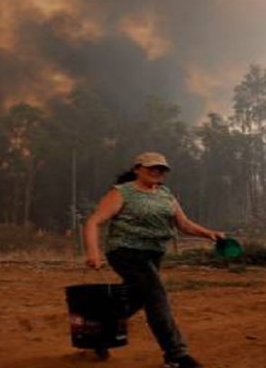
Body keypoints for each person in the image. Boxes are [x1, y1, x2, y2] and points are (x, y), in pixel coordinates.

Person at [84, 152, 224, 368]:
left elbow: (183, 224)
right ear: (137, 169)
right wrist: (93, 253)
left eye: (161, 169)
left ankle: (101, 333)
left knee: (138, 299)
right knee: (156, 295)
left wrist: (209, 233)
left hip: (153, 254)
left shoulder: (166, 194)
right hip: (126, 252)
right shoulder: (123, 192)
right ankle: (175, 355)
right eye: (151, 167)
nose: (156, 171)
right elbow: (94, 221)